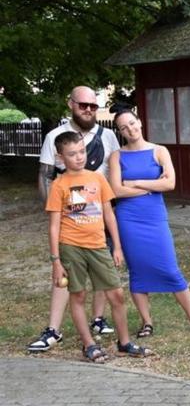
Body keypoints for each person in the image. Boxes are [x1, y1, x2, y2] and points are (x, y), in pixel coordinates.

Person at [46, 131, 152, 362]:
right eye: (72, 154)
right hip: (71, 247)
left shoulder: (98, 178)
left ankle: (124, 343)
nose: (79, 157)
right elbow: (54, 226)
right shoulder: (59, 185)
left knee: (116, 294)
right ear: (61, 157)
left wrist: (117, 247)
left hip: (98, 245)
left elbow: (109, 215)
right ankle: (89, 344)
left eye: (81, 151)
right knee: (79, 295)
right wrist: (55, 261)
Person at [29, 85, 121, 352]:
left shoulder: (107, 136)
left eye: (93, 106)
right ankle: (53, 329)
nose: (89, 110)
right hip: (68, 216)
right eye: (83, 105)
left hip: (99, 211)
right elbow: (46, 175)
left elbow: (114, 173)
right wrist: (52, 211)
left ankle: (98, 318)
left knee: (102, 268)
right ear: (70, 104)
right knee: (64, 275)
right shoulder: (55, 136)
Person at [108, 105, 190, 338]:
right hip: (129, 219)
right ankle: (147, 322)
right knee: (137, 271)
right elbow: (116, 190)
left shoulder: (159, 151)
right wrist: (149, 186)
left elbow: (169, 184)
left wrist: (134, 183)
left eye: (132, 124)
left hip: (154, 217)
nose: (130, 129)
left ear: (140, 122)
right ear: (120, 131)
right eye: (124, 128)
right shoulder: (116, 156)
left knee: (170, 268)